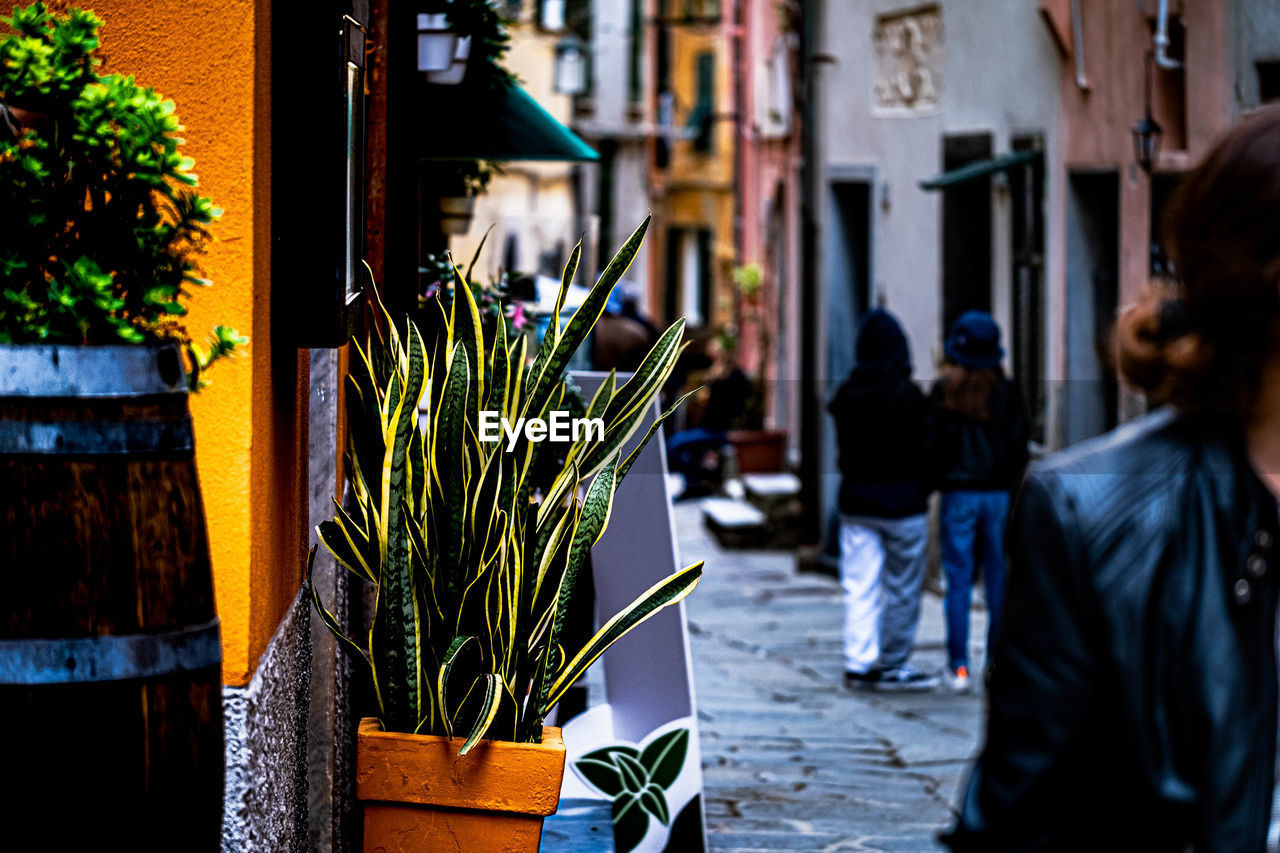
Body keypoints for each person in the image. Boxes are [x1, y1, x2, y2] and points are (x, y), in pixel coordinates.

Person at [941, 105, 1280, 851]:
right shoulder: (1092, 514)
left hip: (970, 495)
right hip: (987, 496)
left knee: (960, 575)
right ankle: (956, 659)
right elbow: (1022, 820)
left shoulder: (969, 388)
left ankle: (954, 659)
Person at [829, 309, 937, 691]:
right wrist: (923, 488)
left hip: (859, 503)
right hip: (904, 505)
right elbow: (928, 452)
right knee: (903, 588)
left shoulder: (846, 396)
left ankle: (858, 662)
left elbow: (843, 456)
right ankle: (892, 663)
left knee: (860, 585)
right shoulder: (910, 397)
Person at [929, 310, 1028, 692]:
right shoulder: (1007, 392)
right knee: (998, 581)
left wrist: (938, 479)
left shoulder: (944, 391)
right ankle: (995, 665)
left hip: (958, 494)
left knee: (958, 580)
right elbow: (1018, 447)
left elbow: (932, 445)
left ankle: (958, 667)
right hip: (998, 495)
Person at [665, 334, 753, 498]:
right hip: (711, 427)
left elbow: (735, 405)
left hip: (717, 430)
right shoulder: (721, 373)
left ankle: (696, 478)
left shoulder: (732, 376)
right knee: (687, 448)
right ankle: (696, 480)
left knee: (673, 444)